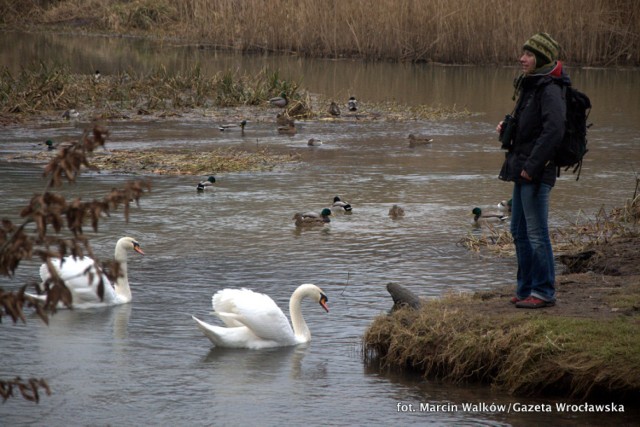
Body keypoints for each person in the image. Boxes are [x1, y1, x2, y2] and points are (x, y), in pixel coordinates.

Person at [496, 32, 569, 309]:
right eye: (522, 53)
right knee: (518, 231)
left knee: (537, 234)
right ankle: (525, 288)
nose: (521, 58)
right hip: (523, 168)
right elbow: (531, 127)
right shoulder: (531, 85)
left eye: (527, 54)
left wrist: (531, 167)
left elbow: (554, 131)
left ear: (540, 58)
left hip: (536, 172)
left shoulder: (549, 89)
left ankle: (543, 292)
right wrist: (508, 129)